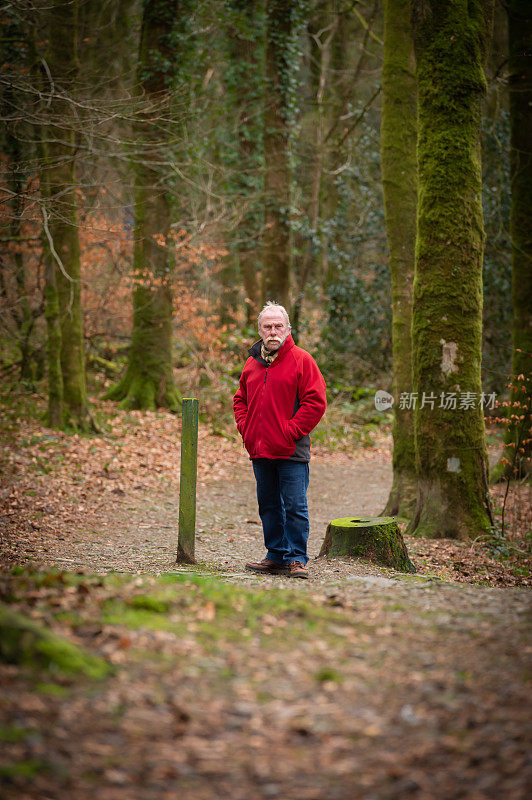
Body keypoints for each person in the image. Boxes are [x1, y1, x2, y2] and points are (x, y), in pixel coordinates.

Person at [233, 301, 327, 579]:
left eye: (278, 326)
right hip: (260, 449)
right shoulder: (252, 363)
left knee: (295, 506)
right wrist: (247, 428)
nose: (273, 331)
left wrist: (291, 430)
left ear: (287, 329)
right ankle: (276, 555)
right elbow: (240, 400)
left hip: (290, 449)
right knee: (269, 505)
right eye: (267, 326)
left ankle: (297, 559)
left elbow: (316, 402)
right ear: (260, 330)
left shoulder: (302, 360)